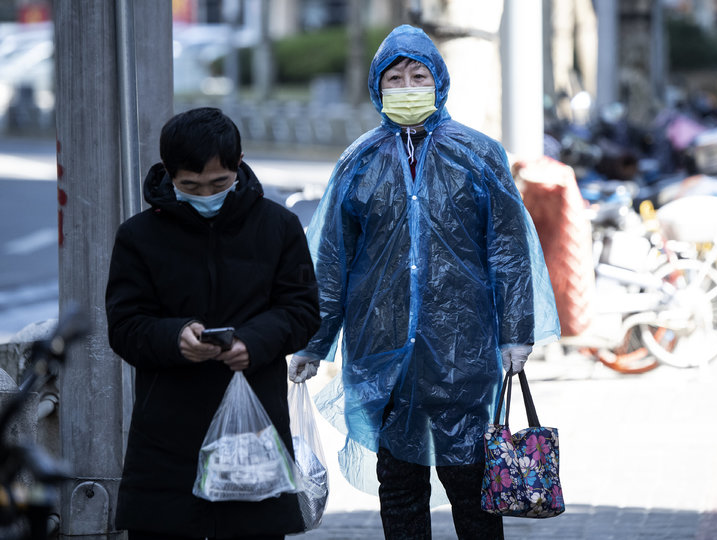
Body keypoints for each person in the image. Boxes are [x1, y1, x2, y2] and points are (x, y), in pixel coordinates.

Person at [289, 25, 559, 539]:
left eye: (418, 76)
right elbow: (332, 262)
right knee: (399, 487)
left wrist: (515, 332)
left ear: (439, 81)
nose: (407, 88)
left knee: (473, 486)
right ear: (378, 87)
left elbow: (508, 251)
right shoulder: (360, 161)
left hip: (462, 350)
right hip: (381, 353)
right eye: (395, 79)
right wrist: (313, 342)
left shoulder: (477, 154)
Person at [105, 107, 321, 539]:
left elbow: (302, 310)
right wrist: (175, 337)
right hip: (166, 439)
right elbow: (125, 325)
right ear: (169, 173)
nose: (206, 194)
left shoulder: (279, 227)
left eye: (219, 183)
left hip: (254, 433)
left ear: (238, 163)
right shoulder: (138, 236)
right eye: (190, 186)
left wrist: (252, 343)